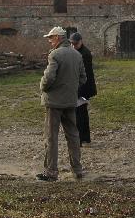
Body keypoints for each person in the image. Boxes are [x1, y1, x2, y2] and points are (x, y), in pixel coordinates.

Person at [36, 26, 86, 181]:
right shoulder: (77, 55)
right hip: (71, 101)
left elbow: (48, 78)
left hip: (54, 102)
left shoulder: (55, 55)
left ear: (58, 37)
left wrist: (43, 87)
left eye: (51, 38)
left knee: (51, 137)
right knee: (73, 136)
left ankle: (51, 172)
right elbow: (83, 78)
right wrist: (71, 88)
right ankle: (77, 169)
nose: (49, 41)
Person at [69, 32, 97, 144]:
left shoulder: (84, 54)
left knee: (80, 114)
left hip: (83, 88)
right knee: (80, 113)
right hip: (81, 87)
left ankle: (82, 138)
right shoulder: (77, 52)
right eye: (72, 44)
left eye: (75, 44)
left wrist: (79, 91)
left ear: (81, 41)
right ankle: (83, 138)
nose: (73, 46)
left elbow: (84, 75)